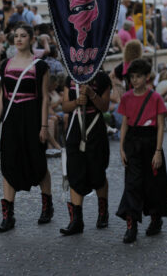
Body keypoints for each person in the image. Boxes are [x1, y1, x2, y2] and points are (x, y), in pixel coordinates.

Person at [0, 23, 52, 232]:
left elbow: (44, 98)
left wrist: (44, 125)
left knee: (38, 161)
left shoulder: (40, 65)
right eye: (16, 36)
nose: (18, 39)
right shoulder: (6, 64)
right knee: (8, 163)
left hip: (32, 118)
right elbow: (2, 95)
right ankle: (8, 215)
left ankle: (47, 205)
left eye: (23, 36)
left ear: (31, 38)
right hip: (11, 118)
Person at [116, 59, 167, 243]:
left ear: (147, 77)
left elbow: (161, 126)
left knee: (153, 183)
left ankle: (155, 219)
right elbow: (124, 124)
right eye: (132, 77)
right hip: (132, 142)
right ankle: (131, 225)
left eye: (139, 76)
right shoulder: (126, 97)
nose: (135, 80)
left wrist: (158, 151)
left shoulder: (156, 98)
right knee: (132, 184)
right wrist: (122, 148)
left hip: (150, 141)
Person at [59, 71, 112, 236]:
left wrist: (91, 94)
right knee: (74, 170)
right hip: (75, 128)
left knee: (97, 171)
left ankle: (103, 211)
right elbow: (65, 106)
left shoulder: (102, 78)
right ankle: (76, 220)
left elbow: (104, 107)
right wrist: (76, 102)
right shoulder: (71, 78)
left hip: (95, 128)